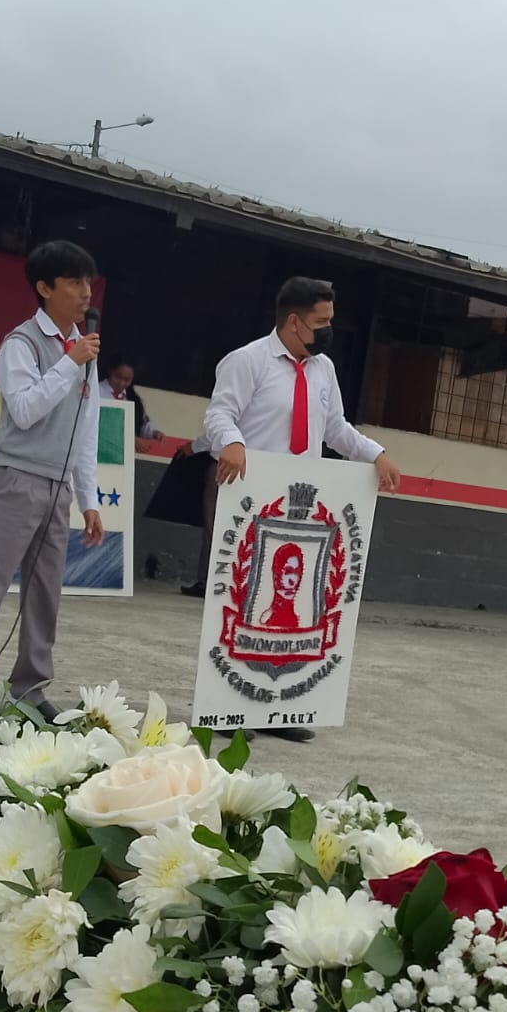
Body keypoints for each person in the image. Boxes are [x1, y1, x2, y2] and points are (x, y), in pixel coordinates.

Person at [202, 275, 401, 739]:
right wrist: (231, 441)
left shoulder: (323, 369)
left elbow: (336, 428)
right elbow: (219, 413)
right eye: (322, 321)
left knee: (293, 607)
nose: (329, 329)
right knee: (242, 605)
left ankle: (278, 709)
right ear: (294, 322)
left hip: (299, 511)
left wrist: (376, 454)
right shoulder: (248, 360)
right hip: (249, 501)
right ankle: (230, 709)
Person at [0, 241, 103, 717]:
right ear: (44, 288)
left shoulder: (83, 348)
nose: (86, 292)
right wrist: (70, 362)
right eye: (74, 282)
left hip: (58, 487)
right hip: (16, 480)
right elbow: (24, 409)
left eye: (88, 282)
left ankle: (30, 689)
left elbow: (86, 427)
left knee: (45, 594)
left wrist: (89, 499)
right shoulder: (21, 344)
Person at [99, 358, 162, 451]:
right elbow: (100, 426)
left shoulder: (131, 398)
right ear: (110, 371)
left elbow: (141, 423)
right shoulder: (97, 392)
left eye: (127, 380)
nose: (121, 383)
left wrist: (153, 433)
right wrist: (129, 439)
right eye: (117, 377)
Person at [260, 543, 304, 630]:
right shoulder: (266, 616)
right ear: (276, 573)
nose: (293, 580)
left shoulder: (300, 615)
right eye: (288, 571)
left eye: (297, 572)